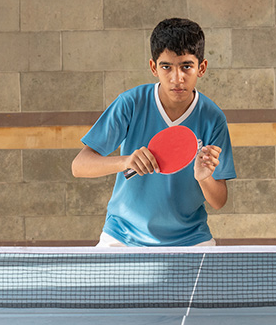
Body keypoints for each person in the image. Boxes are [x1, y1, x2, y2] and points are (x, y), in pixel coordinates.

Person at [72, 18, 235, 246]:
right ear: (153, 67)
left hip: (191, 239)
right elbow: (79, 166)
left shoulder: (213, 118)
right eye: (166, 67)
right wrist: (126, 161)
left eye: (186, 66)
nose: (176, 78)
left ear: (202, 68)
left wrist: (204, 178)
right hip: (122, 237)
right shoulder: (130, 103)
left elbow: (219, 201)